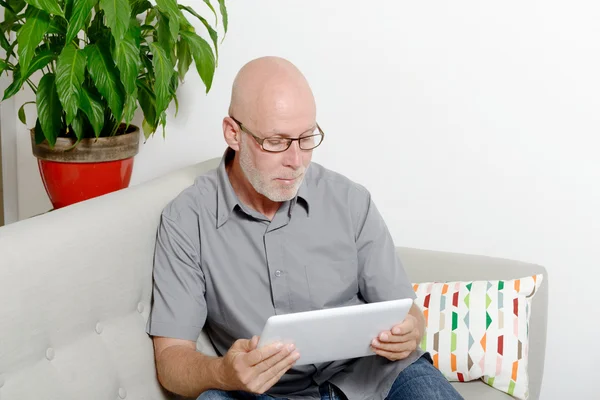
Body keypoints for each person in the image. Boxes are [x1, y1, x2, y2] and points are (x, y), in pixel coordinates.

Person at [146, 56, 463, 400]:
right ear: (233, 133)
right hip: (267, 395)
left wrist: (410, 329)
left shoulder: (349, 200)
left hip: (373, 378)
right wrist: (223, 373)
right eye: (277, 141)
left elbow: (407, 311)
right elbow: (171, 360)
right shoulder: (187, 220)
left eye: (306, 138)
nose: (296, 160)